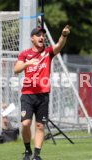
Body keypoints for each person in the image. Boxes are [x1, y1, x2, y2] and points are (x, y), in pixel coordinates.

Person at [14, 25, 70, 160]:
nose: (41, 37)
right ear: (32, 38)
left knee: (40, 126)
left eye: (42, 35)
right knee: (26, 123)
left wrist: (64, 35)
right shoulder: (25, 54)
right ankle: (27, 150)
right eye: (38, 35)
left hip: (43, 95)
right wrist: (28, 63)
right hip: (27, 94)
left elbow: (59, 46)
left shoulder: (48, 52)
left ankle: (36, 155)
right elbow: (16, 69)